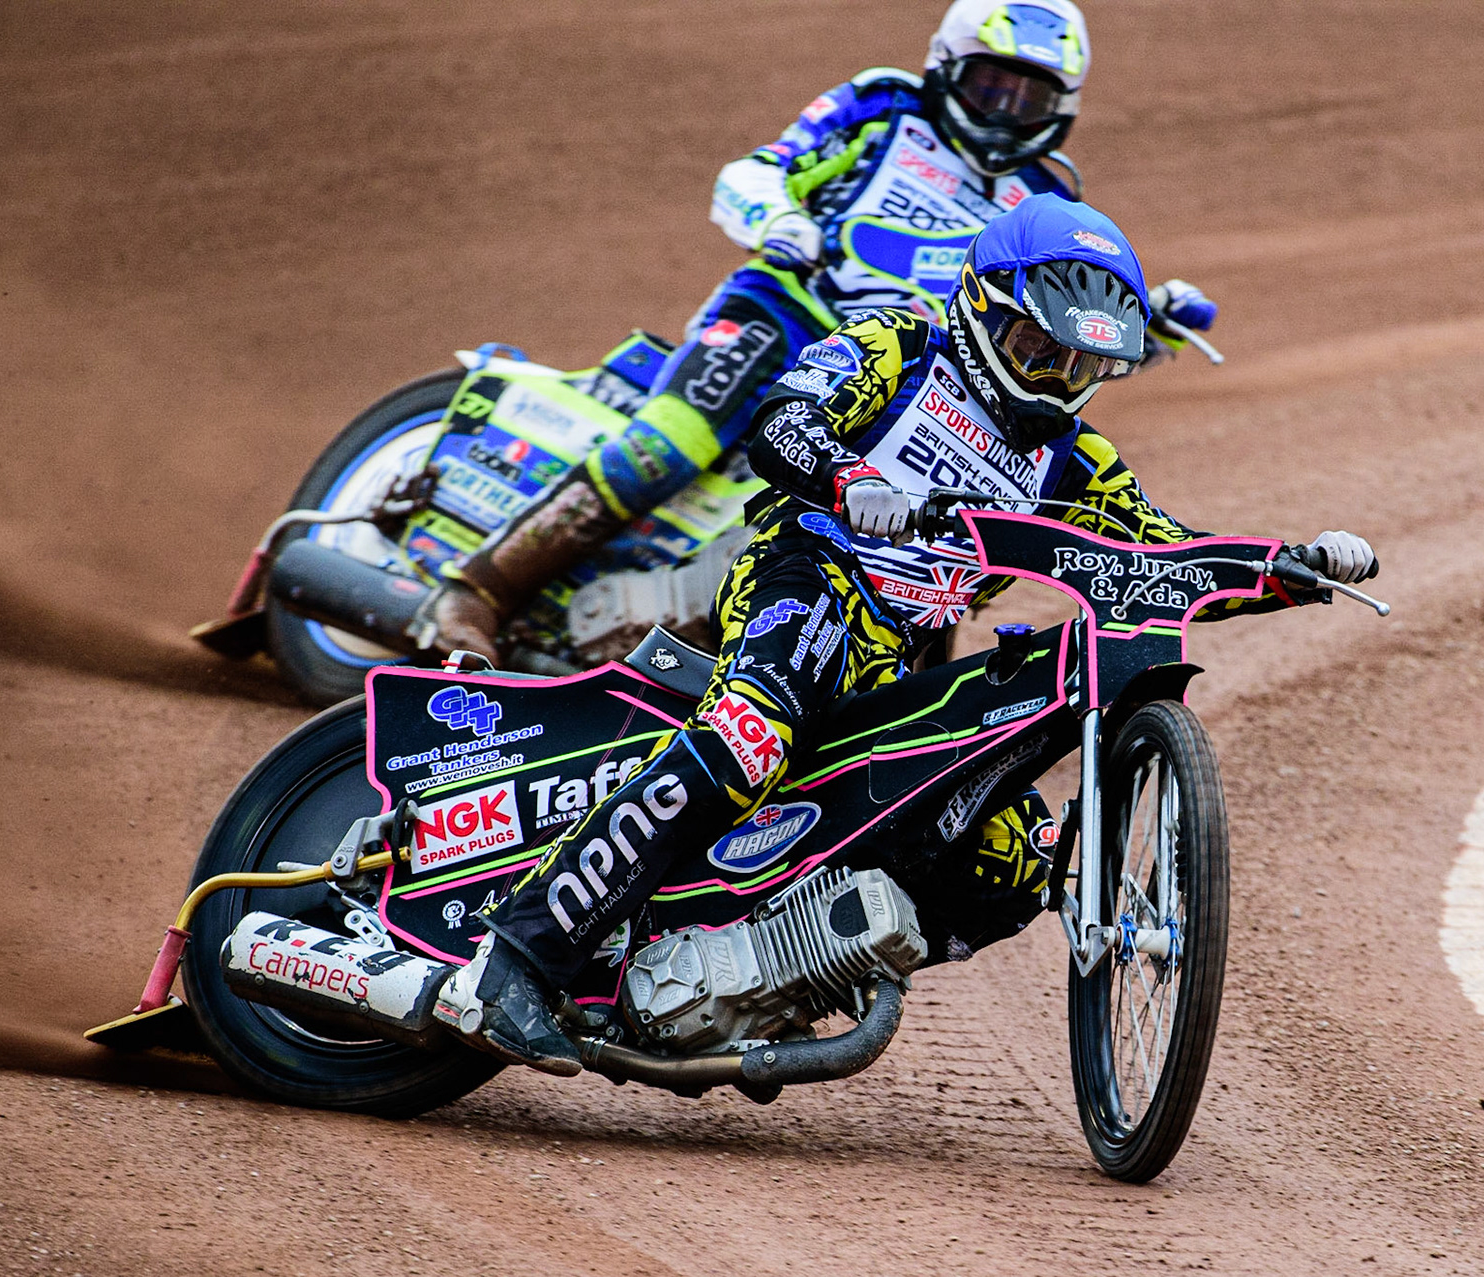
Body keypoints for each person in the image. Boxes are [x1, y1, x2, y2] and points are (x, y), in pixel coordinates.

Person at [432, 195, 1378, 1073]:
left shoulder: (1077, 459)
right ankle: (518, 957)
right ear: (984, 303)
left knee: (1011, 864)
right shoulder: (900, 346)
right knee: (751, 737)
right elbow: (782, 423)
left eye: (1082, 367)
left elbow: (1164, 555)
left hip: (905, 647)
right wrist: (849, 482)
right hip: (808, 569)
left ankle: (772, 972)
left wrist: (1288, 569)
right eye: (1040, 351)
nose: (1058, 382)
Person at [410, 0, 1220, 662]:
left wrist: (1145, 325)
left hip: (914, 374)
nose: (1007, 113)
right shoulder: (880, 110)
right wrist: (783, 219)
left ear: (1063, 109)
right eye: (990, 87)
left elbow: (1042, 331)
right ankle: (476, 594)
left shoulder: (1044, 192)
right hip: (793, 312)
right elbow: (755, 172)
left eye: (1031, 98)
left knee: (949, 534)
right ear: (946, 67)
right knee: (669, 444)